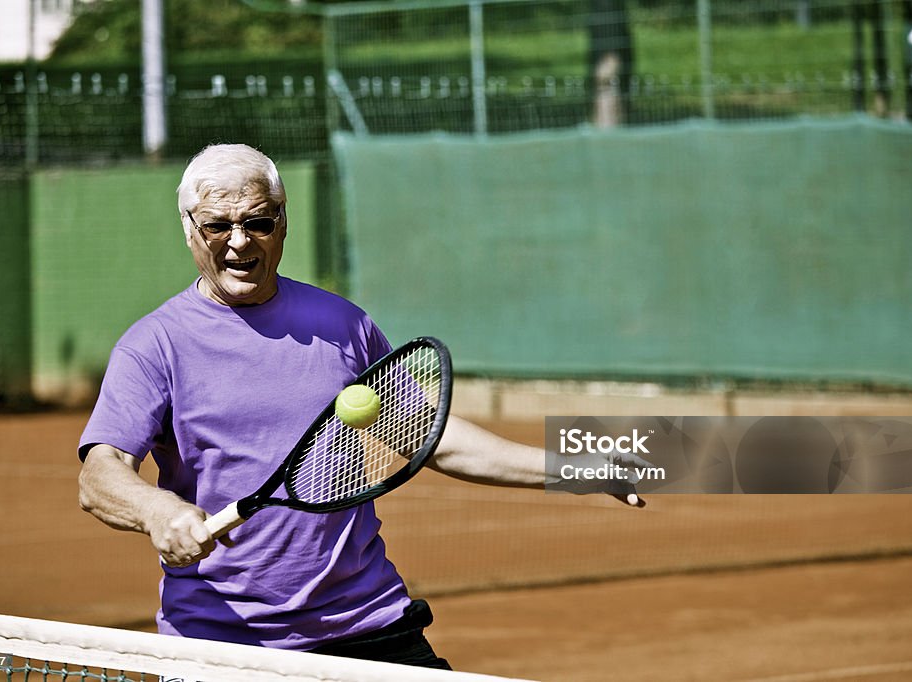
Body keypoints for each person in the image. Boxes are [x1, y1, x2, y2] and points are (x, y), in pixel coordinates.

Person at [78, 143, 642, 670]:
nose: (239, 242)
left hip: (367, 624)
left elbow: (430, 438)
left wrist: (573, 467)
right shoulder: (155, 345)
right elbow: (100, 474)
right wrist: (158, 513)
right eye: (218, 226)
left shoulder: (343, 325)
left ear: (282, 219)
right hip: (222, 641)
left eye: (257, 222)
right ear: (190, 231)